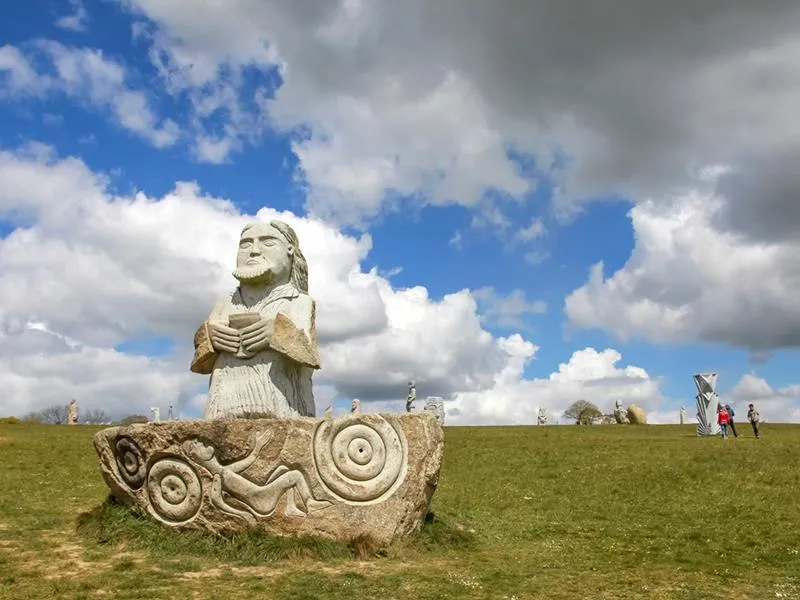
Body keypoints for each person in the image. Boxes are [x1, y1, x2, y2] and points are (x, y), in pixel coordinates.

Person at [191, 220, 321, 419]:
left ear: (290, 251)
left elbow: (309, 356)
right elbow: (202, 363)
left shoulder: (299, 301)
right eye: (246, 244)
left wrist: (277, 332)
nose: (254, 251)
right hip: (222, 408)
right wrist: (210, 338)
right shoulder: (225, 302)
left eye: (268, 243)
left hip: (280, 410)